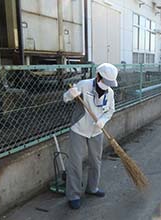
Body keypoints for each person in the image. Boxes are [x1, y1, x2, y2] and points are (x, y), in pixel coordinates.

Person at [63, 63, 118, 209]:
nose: (106, 86)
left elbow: (111, 110)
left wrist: (103, 121)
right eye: (105, 82)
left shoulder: (110, 93)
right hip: (79, 129)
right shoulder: (84, 85)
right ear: (98, 76)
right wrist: (71, 94)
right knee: (75, 162)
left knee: (96, 160)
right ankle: (73, 195)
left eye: (109, 84)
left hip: (96, 131)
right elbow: (65, 99)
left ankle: (92, 188)